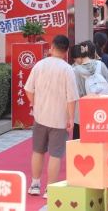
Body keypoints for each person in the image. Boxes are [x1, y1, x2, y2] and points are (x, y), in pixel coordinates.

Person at [25, 35, 79, 198]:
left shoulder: (39, 65)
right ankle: (50, 188)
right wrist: (71, 118)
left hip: (40, 117)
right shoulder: (68, 70)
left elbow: (28, 89)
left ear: (52, 47)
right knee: (55, 155)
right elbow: (71, 97)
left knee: (38, 151)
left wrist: (36, 103)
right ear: (67, 51)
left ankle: (35, 184)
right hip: (59, 119)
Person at [70, 41, 108, 140]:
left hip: (82, 113)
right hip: (102, 111)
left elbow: (76, 93)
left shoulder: (74, 71)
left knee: (81, 142)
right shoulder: (101, 65)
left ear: (78, 58)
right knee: (101, 140)